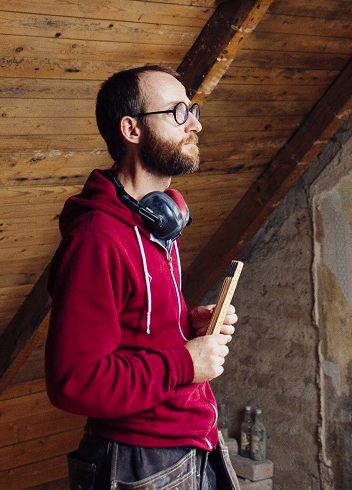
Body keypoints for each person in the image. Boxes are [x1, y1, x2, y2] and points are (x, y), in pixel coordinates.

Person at [47, 65, 241, 490]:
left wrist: (187, 327)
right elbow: (74, 383)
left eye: (191, 109)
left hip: (192, 442)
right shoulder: (97, 239)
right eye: (176, 112)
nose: (195, 123)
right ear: (132, 129)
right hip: (140, 463)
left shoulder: (158, 222)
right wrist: (184, 362)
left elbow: (137, 328)